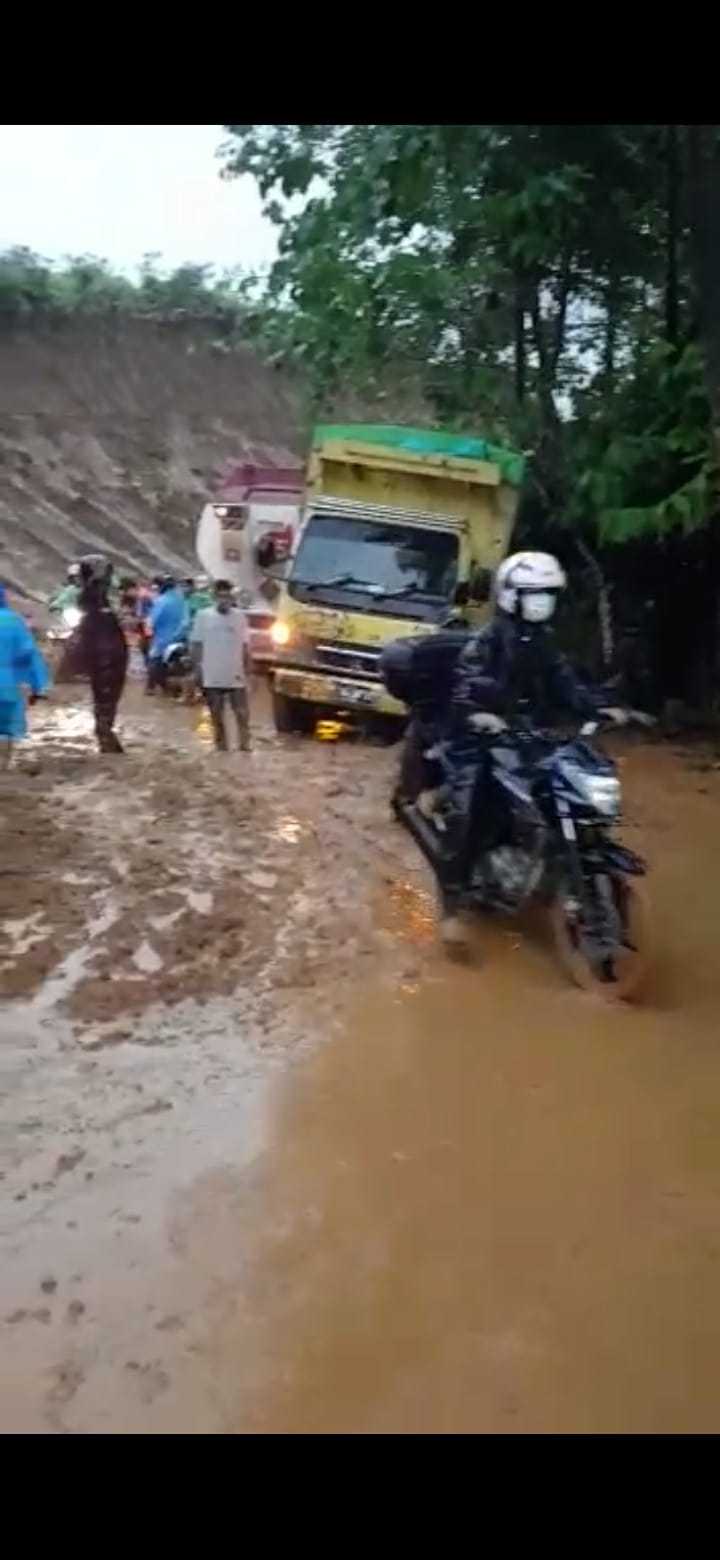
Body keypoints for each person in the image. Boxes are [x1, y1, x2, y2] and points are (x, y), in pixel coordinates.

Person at [437, 550, 629, 947]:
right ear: (511, 595)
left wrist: (599, 707)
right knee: (468, 807)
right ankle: (453, 904)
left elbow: (565, 685)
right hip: (474, 737)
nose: (543, 601)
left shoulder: (541, 642)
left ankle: (543, 866)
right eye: (534, 592)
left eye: (548, 593)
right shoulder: (488, 641)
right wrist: (479, 715)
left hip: (522, 734)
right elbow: (466, 686)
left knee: (561, 784)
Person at [190, 579, 251, 752]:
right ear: (214, 597)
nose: (225, 600)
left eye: (228, 596)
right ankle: (221, 747)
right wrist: (197, 670)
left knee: (242, 713)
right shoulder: (203, 616)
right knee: (216, 714)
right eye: (221, 596)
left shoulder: (240, 617)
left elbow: (246, 646)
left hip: (235, 673)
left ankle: (245, 747)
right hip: (211, 673)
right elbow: (196, 645)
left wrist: (249, 672)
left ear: (232, 598)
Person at [76, 556, 128, 754]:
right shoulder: (94, 596)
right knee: (107, 695)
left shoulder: (102, 596)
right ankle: (105, 731)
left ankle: (104, 730)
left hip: (105, 652)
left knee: (103, 694)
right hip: (108, 653)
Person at [0, 583, 50, 761]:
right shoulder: (14, 621)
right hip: (9, 688)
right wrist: (40, 685)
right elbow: (30, 655)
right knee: (7, 732)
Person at [146, 575, 188, 694]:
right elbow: (186, 620)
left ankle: (151, 687)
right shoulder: (181, 599)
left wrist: (150, 630)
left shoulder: (161, 600)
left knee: (154, 659)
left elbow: (153, 620)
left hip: (163, 639)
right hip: (181, 637)